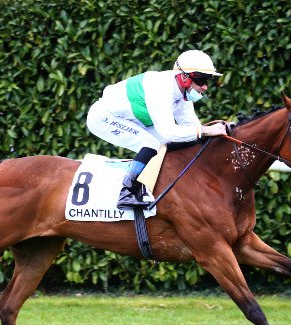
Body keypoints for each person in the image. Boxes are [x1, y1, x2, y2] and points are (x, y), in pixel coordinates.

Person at [86, 50, 228, 209]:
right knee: (151, 143)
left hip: (132, 120)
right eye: (201, 80)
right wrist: (206, 131)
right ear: (184, 77)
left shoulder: (183, 96)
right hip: (104, 118)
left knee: (177, 140)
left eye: (208, 80)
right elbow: (169, 132)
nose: (205, 87)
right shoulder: (161, 87)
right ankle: (127, 192)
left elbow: (193, 131)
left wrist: (223, 131)